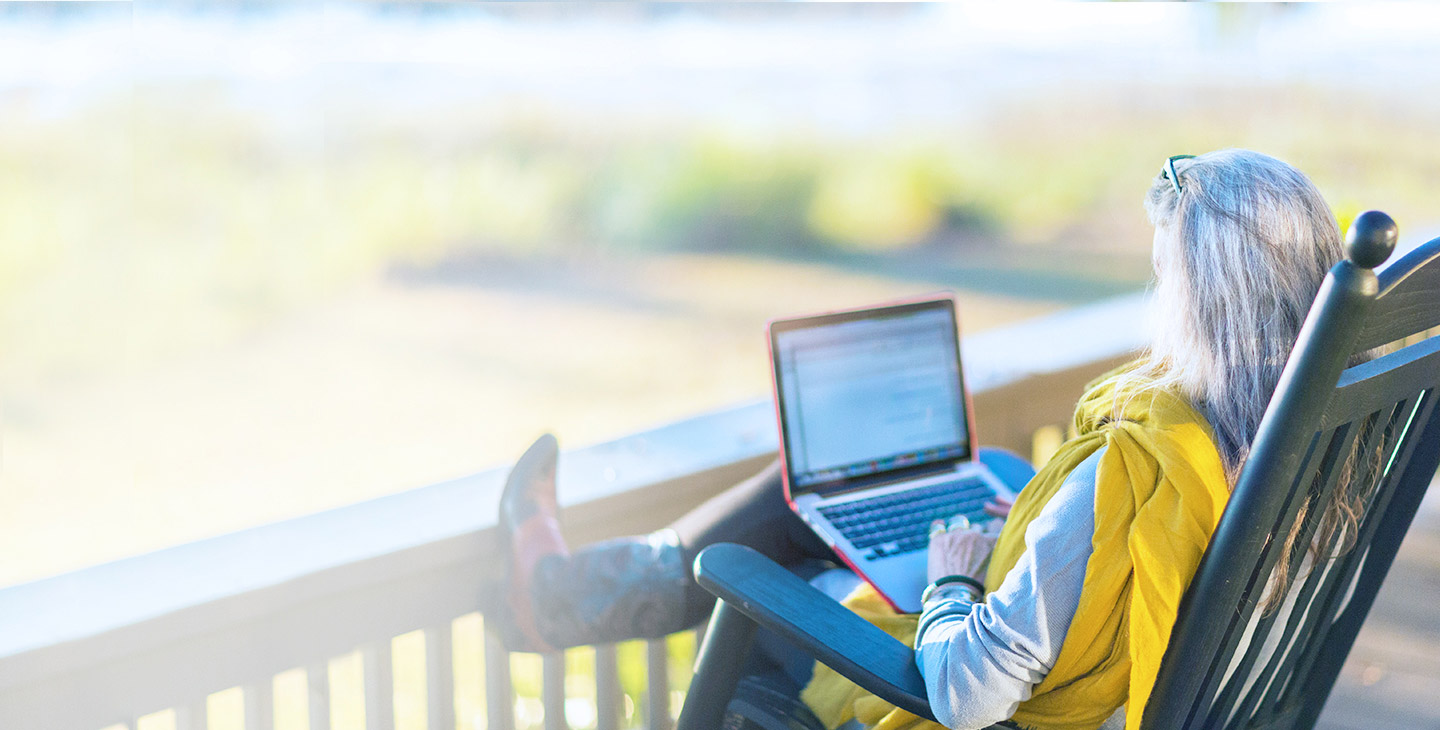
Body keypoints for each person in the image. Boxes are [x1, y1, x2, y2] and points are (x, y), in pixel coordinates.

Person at [491, 149, 1354, 730]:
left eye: (1162, 276)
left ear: (1196, 302)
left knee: (761, 586)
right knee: (812, 514)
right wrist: (1036, 531)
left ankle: (563, 596)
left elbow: (968, 691)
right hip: (1117, 686)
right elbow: (1112, 584)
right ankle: (565, 594)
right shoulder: (1303, 461)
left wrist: (951, 580)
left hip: (982, 700)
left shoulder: (1133, 473)